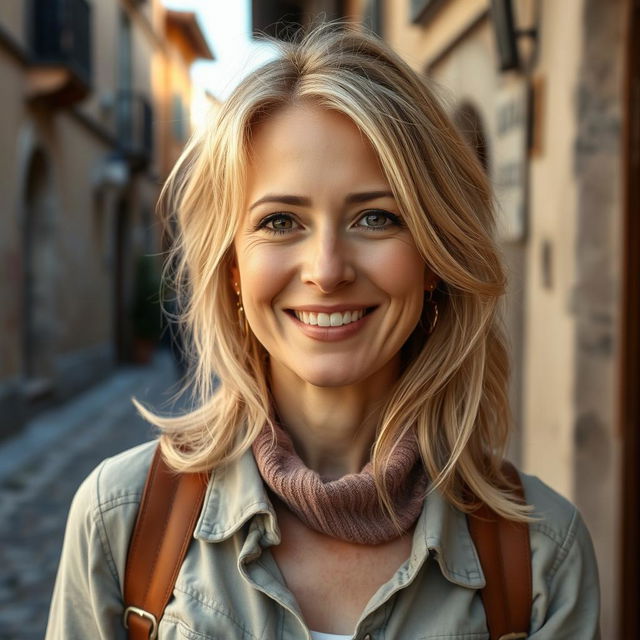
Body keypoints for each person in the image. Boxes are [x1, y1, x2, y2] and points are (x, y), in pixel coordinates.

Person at [46, 24, 600, 640]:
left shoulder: (542, 556)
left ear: (434, 260)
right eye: (281, 220)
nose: (328, 270)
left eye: (376, 217)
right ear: (233, 266)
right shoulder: (120, 522)